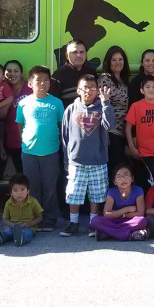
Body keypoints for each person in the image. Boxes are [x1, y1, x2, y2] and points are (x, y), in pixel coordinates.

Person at [59, 75, 114, 237]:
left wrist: (106, 103)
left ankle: (93, 223)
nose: (88, 90)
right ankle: (73, 223)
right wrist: (66, 160)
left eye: (92, 87)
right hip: (76, 161)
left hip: (98, 160)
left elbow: (110, 125)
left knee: (96, 194)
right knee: (74, 193)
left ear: (97, 90)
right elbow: (65, 136)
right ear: (78, 90)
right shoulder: (71, 109)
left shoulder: (101, 107)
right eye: (84, 87)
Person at [15, 65, 63, 231]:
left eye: (46, 80)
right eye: (38, 80)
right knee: (33, 187)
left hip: (51, 151)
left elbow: (61, 125)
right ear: (30, 83)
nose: (42, 83)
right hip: (29, 152)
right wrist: (26, 141)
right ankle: (35, 217)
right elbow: (20, 126)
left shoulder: (57, 103)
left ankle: (50, 218)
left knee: (50, 186)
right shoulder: (23, 103)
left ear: (50, 83)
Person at [125, 76, 154, 187]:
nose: (151, 89)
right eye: (147, 87)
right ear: (142, 90)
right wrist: (131, 146)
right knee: (152, 179)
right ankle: (149, 203)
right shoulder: (136, 106)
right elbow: (128, 127)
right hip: (145, 150)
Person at [97, 46, 130, 185]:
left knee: (123, 166)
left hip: (124, 131)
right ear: (108, 62)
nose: (117, 62)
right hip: (112, 131)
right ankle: (110, 201)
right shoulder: (105, 79)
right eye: (114, 60)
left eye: (120, 59)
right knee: (115, 168)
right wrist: (105, 133)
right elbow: (102, 104)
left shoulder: (124, 80)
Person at [90, 164, 149, 241]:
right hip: (114, 220)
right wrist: (126, 210)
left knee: (142, 221)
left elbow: (140, 213)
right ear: (114, 182)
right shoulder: (111, 192)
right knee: (95, 221)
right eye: (118, 176)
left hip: (130, 220)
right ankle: (129, 235)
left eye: (126, 175)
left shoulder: (138, 190)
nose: (123, 179)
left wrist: (121, 215)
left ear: (132, 178)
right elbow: (107, 214)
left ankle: (108, 233)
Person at [0, 173, 45, 247]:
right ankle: (0, 238)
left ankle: (21, 238)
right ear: (11, 192)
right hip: (13, 226)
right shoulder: (8, 203)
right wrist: (13, 225)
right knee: (7, 232)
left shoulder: (33, 201)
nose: (19, 193)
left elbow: (40, 217)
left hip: (28, 227)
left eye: (22, 189)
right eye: (15, 190)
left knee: (27, 234)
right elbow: (5, 219)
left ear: (28, 191)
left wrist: (29, 224)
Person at [1, 60, 32, 174]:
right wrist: (1, 146)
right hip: (10, 141)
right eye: (9, 71)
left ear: (21, 73)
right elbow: (0, 122)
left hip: (29, 142)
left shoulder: (30, 88)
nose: (12, 74)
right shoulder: (0, 90)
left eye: (16, 71)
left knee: (27, 176)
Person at [53, 39, 98, 108]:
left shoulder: (92, 73)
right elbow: (54, 103)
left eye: (82, 52)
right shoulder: (58, 75)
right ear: (67, 55)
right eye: (74, 52)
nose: (79, 55)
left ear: (86, 54)